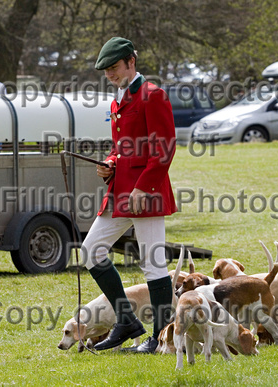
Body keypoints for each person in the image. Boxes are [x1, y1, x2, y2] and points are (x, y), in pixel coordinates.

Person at [80, 37, 177, 353]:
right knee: (91, 250)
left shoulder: (153, 95)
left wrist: (143, 187)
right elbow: (121, 148)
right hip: (120, 191)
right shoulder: (117, 101)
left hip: (146, 193)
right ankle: (126, 321)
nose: (109, 74)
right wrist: (110, 163)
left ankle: (162, 337)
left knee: (153, 264)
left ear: (131, 62)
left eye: (114, 67)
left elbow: (164, 149)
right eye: (105, 70)